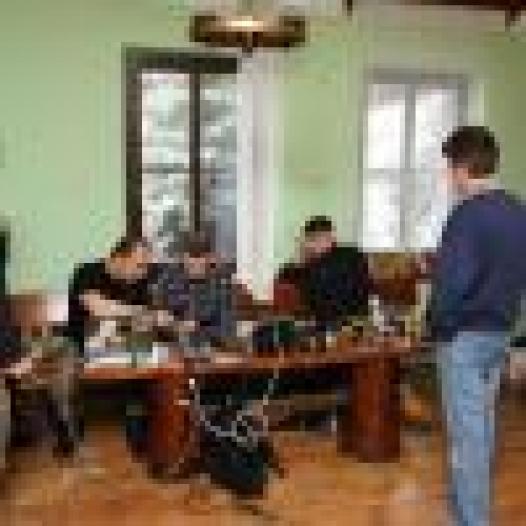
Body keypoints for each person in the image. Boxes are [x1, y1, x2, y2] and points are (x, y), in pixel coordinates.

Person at [428, 125, 526, 526]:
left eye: (449, 168)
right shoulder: (518, 211)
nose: (448, 177)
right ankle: (462, 516)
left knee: (468, 441)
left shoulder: (466, 215)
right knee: (480, 432)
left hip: (463, 341)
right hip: (499, 335)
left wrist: (438, 326)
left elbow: (451, 286)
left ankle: (473, 520)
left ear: (461, 168)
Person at [66, 235, 164, 460]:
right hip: (81, 345)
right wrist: (142, 313)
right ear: (118, 258)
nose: (144, 272)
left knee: (147, 362)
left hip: (123, 345)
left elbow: (143, 321)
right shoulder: (87, 272)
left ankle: (141, 430)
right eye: (139, 265)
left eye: (146, 266)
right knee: (66, 369)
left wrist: (148, 319)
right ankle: (70, 436)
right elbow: (98, 308)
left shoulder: (139, 281)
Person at [275, 216, 370, 331]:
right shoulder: (312, 263)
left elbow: (326, 293)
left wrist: (305, 261)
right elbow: (284, 278)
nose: (311, 245)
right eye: (311, 240)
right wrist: (302, 260)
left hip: (348, 322)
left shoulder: (347, 256)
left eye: (315, 239)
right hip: (327, 322)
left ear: (330, 237)